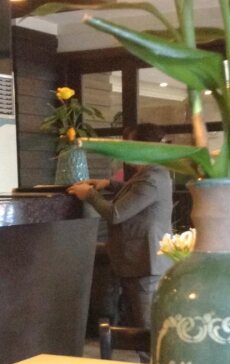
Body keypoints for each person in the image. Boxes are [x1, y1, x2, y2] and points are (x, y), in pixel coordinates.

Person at [67, 123, 173, 329]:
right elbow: (135, 193)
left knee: (146, 328)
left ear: (143, 146)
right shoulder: (151, 173)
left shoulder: (152, 178)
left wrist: (89, 195)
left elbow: (115, 214)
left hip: (145, 264)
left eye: (128, 145)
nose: (124, 150)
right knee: (136, 325)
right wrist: (109, 183)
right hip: (138, 262)